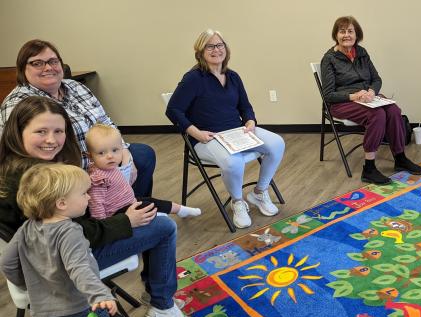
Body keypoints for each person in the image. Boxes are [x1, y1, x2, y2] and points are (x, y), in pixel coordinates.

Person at [0, 96, 194, 317]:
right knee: (164, 227)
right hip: (66, 267)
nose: (51, 140)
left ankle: (157, 294)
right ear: (18, 131)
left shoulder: (19, 167)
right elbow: (71, 236)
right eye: (41, 131)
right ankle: (162, 304)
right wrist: (125, 221)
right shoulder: (35, 181)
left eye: (58, 131)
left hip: (46, 261)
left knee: (152, 213)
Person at [0, 39, 155, 197]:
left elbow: (106, 122)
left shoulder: (75, 86)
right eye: (37, 63)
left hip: (102, 158)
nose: (48, 67)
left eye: (53, 61)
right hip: (68, 172)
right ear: (22, 69)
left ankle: (130, 206)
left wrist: (123, 150)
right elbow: (21, 155)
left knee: (143, 154)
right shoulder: (19, 103)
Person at [166, 29, 285, 229]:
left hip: (237, 132)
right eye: (210, 46)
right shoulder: (193, 78)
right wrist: (195, 132)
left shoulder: (233, 76)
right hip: (207, 138)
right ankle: (237, 202)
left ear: (226, 49)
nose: (216, 50)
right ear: (200, 51)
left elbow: (245, 106)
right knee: (233, 161)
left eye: (219, 45)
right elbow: (173, 110)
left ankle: (259, 192)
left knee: (277, 143)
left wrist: (250, 121)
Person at [1, 163, 117, 317]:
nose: (89, 198)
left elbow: (7, 263)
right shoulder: (69, 231)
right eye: (84, 193)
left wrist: (29, 285)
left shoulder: (27, 228)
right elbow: (79, 268)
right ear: (62, 203)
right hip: (81, 310)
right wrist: (99, 294)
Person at [320, 16, 421, 185]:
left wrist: (371, 91)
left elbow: (376, 78)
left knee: (393, 110)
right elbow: (328, 95)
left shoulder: (361, 53)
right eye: (342, 31)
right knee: (377, 115)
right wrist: (355, 96)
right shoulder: (329, 59)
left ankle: (400, 158)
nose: (347, 35)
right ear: (336, 35)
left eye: (350, 31)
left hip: (367, 98)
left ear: (356, 34)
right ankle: (369, 168)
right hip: (342, 103)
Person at [85, 123, 201, 219]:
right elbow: (96, 205)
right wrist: (105, 225)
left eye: (115, 150)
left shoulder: (110, 165)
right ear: (90, 157)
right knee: (148, 207)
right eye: (101, 153)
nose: (110, 156)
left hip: (129, 201)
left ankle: (180, 210)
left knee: (152, 201)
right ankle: (158, 216)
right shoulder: (98, 179)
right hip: (119, 213)